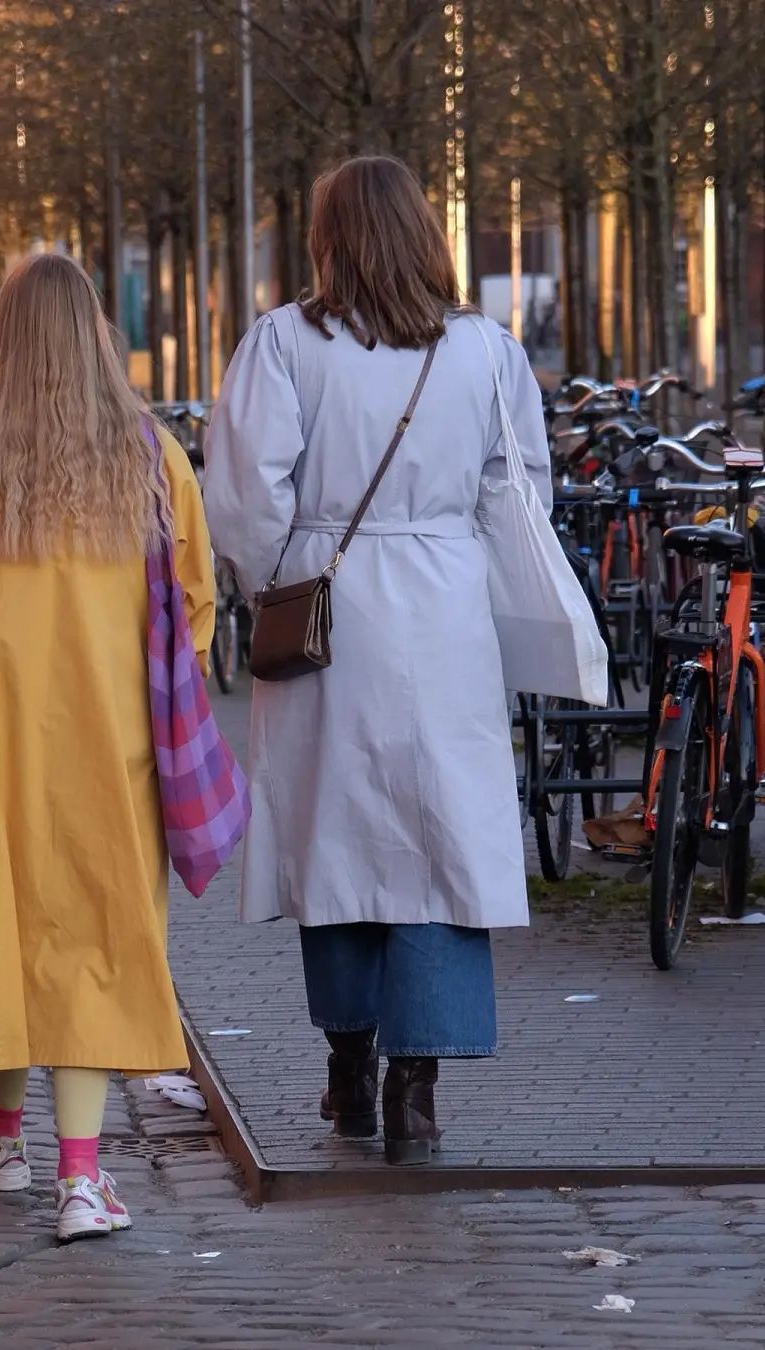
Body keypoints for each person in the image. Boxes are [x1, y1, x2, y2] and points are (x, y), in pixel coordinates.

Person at [203, 156, 551, 1165]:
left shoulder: (284, 344)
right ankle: (417, 1089)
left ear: (328, 239)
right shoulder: (487, 351)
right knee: (438, 848)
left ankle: (350, 1068)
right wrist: (476, 587)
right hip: (443, 610)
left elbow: (244, 490)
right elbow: (518, 487)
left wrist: (282, 576)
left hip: (329, 610)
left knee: (334, 839)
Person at [0, 253, 214, 1236]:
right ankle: (78, 1174)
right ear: (97, 333)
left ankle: (4, 1137)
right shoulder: (149, 454)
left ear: (5, 333)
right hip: (108, 732)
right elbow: (193, 610)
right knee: (95, 934)